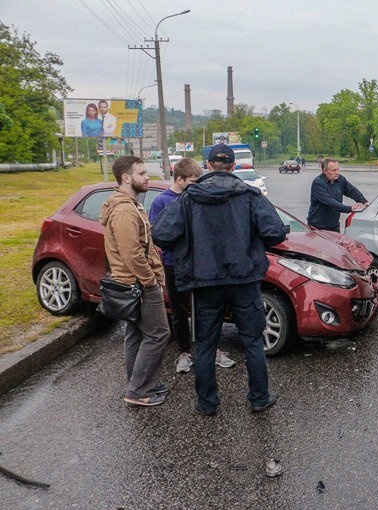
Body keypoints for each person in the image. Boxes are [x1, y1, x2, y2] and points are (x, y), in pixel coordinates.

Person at [152, 144, 286, 415]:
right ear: (233, 166)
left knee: (205, 343)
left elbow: (162, 235)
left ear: (208, 165)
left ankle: (207, 403)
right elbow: (274, 232)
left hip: (205, 283)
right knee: (251, 340)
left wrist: (188, 242)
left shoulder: (190, 198)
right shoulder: (250, 195)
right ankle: (259, 398)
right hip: (244, 281)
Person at [148, 158, 236, 374]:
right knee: (179, 310)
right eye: (193, 181)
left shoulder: (197, 197)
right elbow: (157, 233)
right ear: (179, 179)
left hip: (200, 263)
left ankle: (210, 348)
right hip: (173, 263)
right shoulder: (162, 201)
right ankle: (184, 352)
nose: (197, 184)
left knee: (205, 308)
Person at [99, 155, 169, 407]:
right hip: (137, 283)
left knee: (136, 334)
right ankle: (138, 390)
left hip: (133, 282)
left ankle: (142, 382)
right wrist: (150, 281)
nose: (147, 177)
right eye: (141, 174)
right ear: (126, 178)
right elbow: (132, 254)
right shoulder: (125, 210)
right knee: (159, 333)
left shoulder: (130, 204)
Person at [306, 158, 368, 232]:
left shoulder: (340, 179)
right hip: (317, 227)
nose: (337, 172)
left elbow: (351, 191)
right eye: (333, 170)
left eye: (338, 169)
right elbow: (329, 202)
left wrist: (363, 201)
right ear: (325, 171)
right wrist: (349, 208)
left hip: (334, 226)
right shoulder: (318, 183)